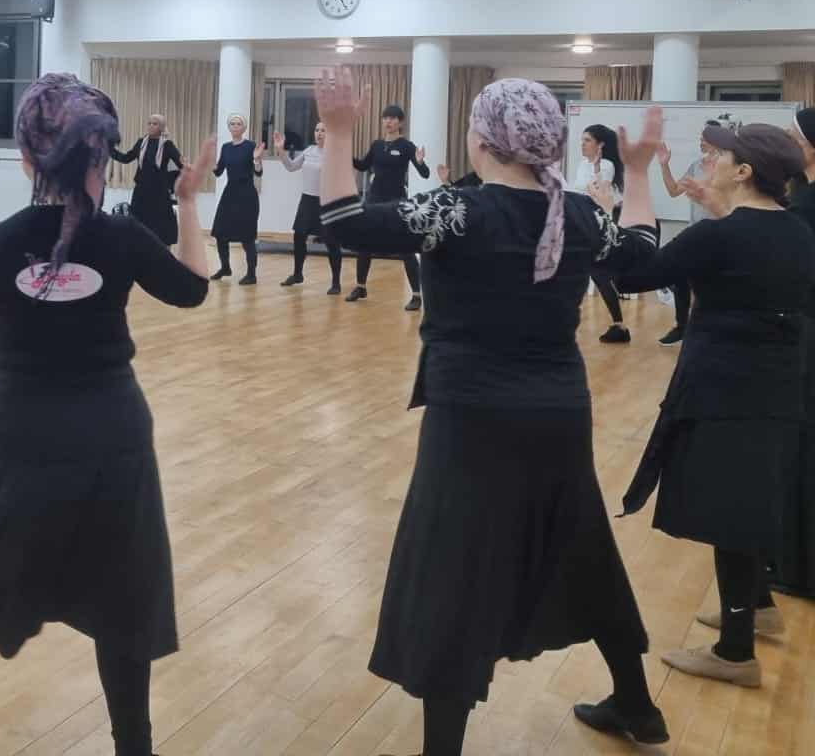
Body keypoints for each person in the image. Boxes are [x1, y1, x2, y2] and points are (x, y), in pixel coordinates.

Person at [316, 70, 667, 755]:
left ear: (481, 141)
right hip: (560, 416)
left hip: (472, 418)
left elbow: (344, 223)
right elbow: (643, 259)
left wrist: (336, 131)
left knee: (454, 574)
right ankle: (636, 703)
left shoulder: (459, 210)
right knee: (582, 550)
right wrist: (638, 172)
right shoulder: (580, 213)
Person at [0, 73, 216, 756]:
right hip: (113, 437)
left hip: (19, 440)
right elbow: (191, 289)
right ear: (102, 155)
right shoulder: (122, 237)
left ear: (26, 160)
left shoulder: (2, 239)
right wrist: (187, 204)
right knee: (121, 606)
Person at [614, 119, 815, 689]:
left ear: (743, 170)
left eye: (718, 157)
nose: (709, 162)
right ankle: (758, 610)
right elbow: (757, 258)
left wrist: (633, 187)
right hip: (778, 388)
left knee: (731, 514)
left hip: (726, 390)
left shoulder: (718, 236)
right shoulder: (798, 231)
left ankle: (735, 652)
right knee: (747, 503)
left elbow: (632, 274)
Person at [776, 107, 815, 598]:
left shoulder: (805, 208)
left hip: (806, 335)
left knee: (803, 445)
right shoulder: (801, 199)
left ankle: (799, 569)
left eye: (793, 136)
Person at [347, 104, 428, 310]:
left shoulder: (406, 146)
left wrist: (420, 162)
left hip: (396, 202)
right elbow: (363, 165)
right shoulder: (377, 145)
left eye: (392, 118)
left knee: (406, 248)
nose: (388, 122)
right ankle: (361, 287)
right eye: (385, 118)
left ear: (400, 122)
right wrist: (346, 156)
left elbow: (425, 174)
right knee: (364, 244)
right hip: (374, 200)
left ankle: (416, 295)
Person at [655, 123, 722, 347]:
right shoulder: (696, 166)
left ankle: (710, 331)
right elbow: (674, 191)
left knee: (711, 284)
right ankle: (682, 326)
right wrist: (664, 165)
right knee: (679, 275)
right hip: (696, 231)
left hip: (719, 232)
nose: (700, 141)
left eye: (703, 138)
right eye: (700, 137)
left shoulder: (728, 166)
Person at [572, 124, 629, 344]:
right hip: (581, 220)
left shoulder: (606, 165)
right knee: (591, 272)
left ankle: (619, 325)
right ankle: (618, 324)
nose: (582, 144)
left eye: (587, 140)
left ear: (600, 145)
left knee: (599, 273)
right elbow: (577, 191)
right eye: (582, 140)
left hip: (598, 223)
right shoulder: (581, 165)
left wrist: (596, 168)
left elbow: (599, 192)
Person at [276, 121, 343, 294]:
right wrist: (281, 151)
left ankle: (336, 282)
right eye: (317, 130)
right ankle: (297, 274)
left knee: (331, 242)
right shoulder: (309, 151)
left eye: (323, 130)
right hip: (307, 200)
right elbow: (291, 167)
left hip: (326, 201)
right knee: (299, 237)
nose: (319, 133)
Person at [110, 114, 183, 245]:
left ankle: (161, 250)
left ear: (161, 127)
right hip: (141, 189)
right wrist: (110, 150)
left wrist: (177, 180)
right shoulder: (141, 142)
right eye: (149, 123)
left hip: (159, 191)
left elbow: (181, 164)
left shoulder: (167, 145)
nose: (150, 126)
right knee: (139, 221)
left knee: (160, 224)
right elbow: (126, 158)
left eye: (155, 124)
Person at [211, 113, 262, 284]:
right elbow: (218, 172)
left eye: (238, 124)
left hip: (247, 195)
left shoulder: (250, 146)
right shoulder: (226, 147)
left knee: (247, 236)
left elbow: (259, 173)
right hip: (230, 194)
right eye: (232, 124)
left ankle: (251, 274)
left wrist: (257, 160)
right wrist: (211, 162)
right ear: (229, 127)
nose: (235, 126)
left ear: (244, 127)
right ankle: (225, 267)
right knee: (220, 233)